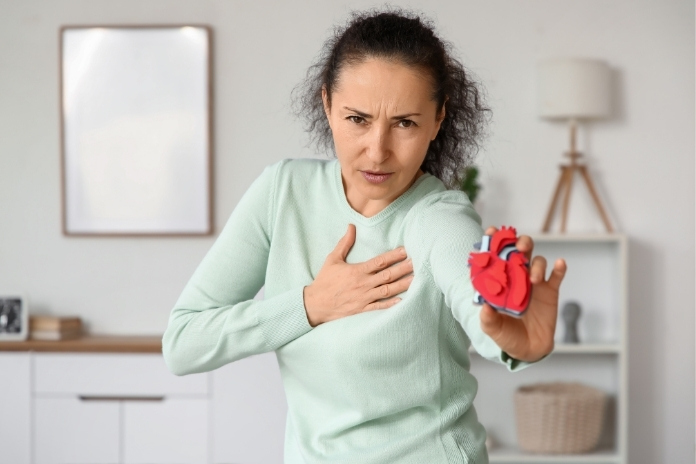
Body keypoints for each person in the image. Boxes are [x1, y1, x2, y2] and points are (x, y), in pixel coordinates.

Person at [162, 7, 567, 464]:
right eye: (358, 119)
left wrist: (515, 341)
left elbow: (479, 309)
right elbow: (183, 343)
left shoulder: (440, 220)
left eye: (405, 123)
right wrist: (310, 305)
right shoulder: (283, 193)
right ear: (327, 104)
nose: (377, 151)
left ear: (438, 119)